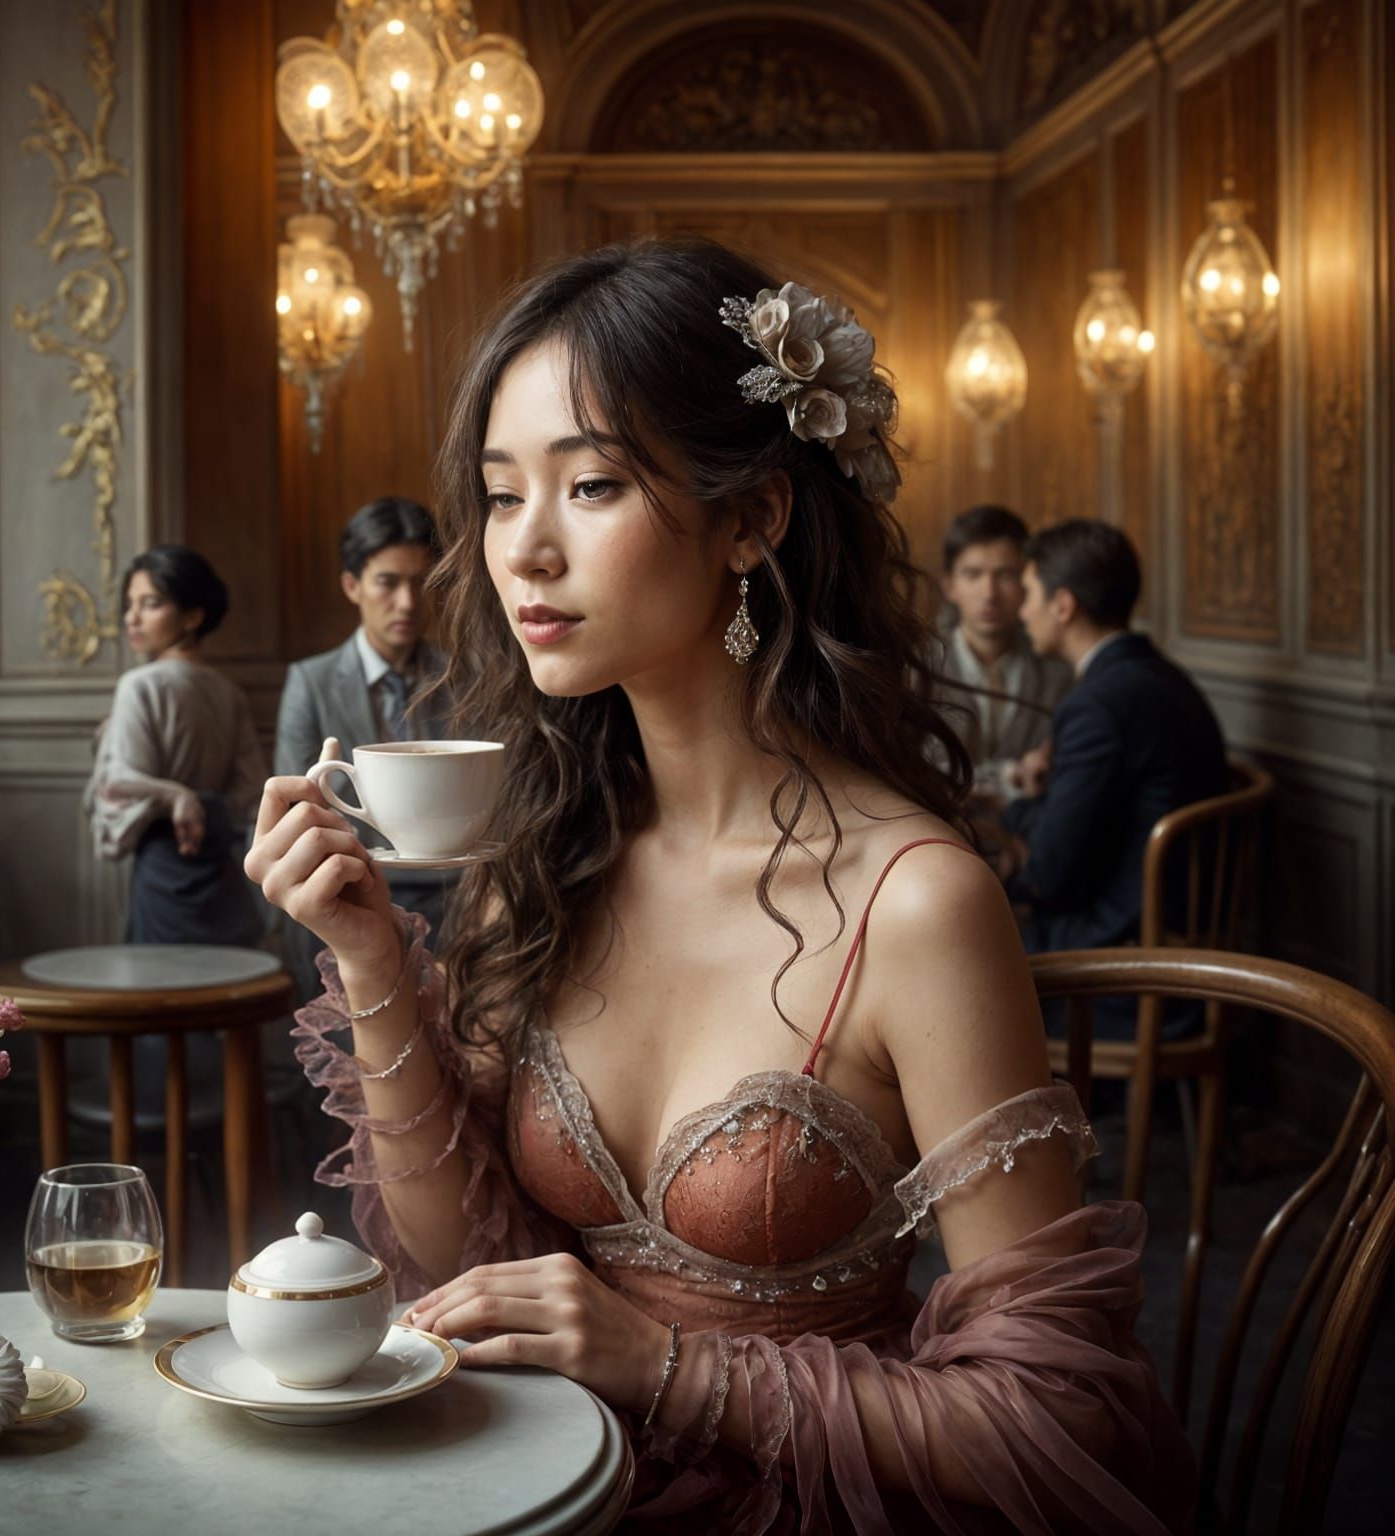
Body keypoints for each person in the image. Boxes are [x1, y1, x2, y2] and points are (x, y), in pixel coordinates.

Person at [246, 240, 1193, 1533]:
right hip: (550, 1485)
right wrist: (366, 958)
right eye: (498, 493)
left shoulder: (915, 903)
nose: (521, 552)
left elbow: (1058, 1416)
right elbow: (469, 1266)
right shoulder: (551, 853)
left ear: (751, 517)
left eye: (587, 486)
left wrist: (666, 1366)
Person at [1000, 519, 1230, 964]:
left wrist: (1014, 809)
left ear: (1063, 605)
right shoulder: (1159, 674)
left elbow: (1050, 875)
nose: (1022, 610)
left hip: (1126, 959)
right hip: (1170, 932)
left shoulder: (1097, 704)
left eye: (1028, 594)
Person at [274, 499, 452, 996]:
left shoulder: (465, 675)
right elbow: (296, 802)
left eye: (420, 582)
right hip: (351, 892)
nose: (408, 603)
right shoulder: (310, 681)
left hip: (454, 899)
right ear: (353, 586)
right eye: (388, 582)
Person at [85, 546, 266, 946]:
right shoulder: (229, 692)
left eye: (150, 604)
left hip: (165, 872)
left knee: (161, 997)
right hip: (223, 876)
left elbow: (115, 782)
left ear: (193, 616)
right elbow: (253, 792)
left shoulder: (139, 685)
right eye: (130, 604)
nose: (132, 617)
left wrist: (174, 794)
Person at [932, 506, 1070, 801]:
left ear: (1028, 580)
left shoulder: (1059, 672)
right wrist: (1007, 777)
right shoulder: (917, 668)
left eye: (1005, 574)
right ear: (950, 586)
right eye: (973, 574)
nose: (990, 594)